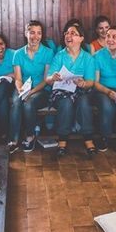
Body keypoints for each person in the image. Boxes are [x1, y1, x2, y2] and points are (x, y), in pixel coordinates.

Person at [46, 22, 96, 157]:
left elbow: (91, 81)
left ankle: (88, 139)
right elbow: (48, 79)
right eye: (67, 33)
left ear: (81, 38)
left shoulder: (88, 58)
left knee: (84, 102)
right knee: (66, 102)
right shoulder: (59, 56)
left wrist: (84, 83)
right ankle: (62, 140)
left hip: (80, 91)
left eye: (73, 33)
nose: (69, 36)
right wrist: (53, 78)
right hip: (62, 91)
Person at [9, 20, 54, 153]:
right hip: (23, 87)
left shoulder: (48, 52)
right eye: (32, 32)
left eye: (39, 33)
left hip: (42, 89)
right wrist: (21, 89)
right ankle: (14, 140)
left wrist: (31, 92)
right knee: (16, 101)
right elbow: (17, 78)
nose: (36, 36)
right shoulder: (18, 54)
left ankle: (30, 136)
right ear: (26, 33)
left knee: (28, 102)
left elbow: (46, 79)